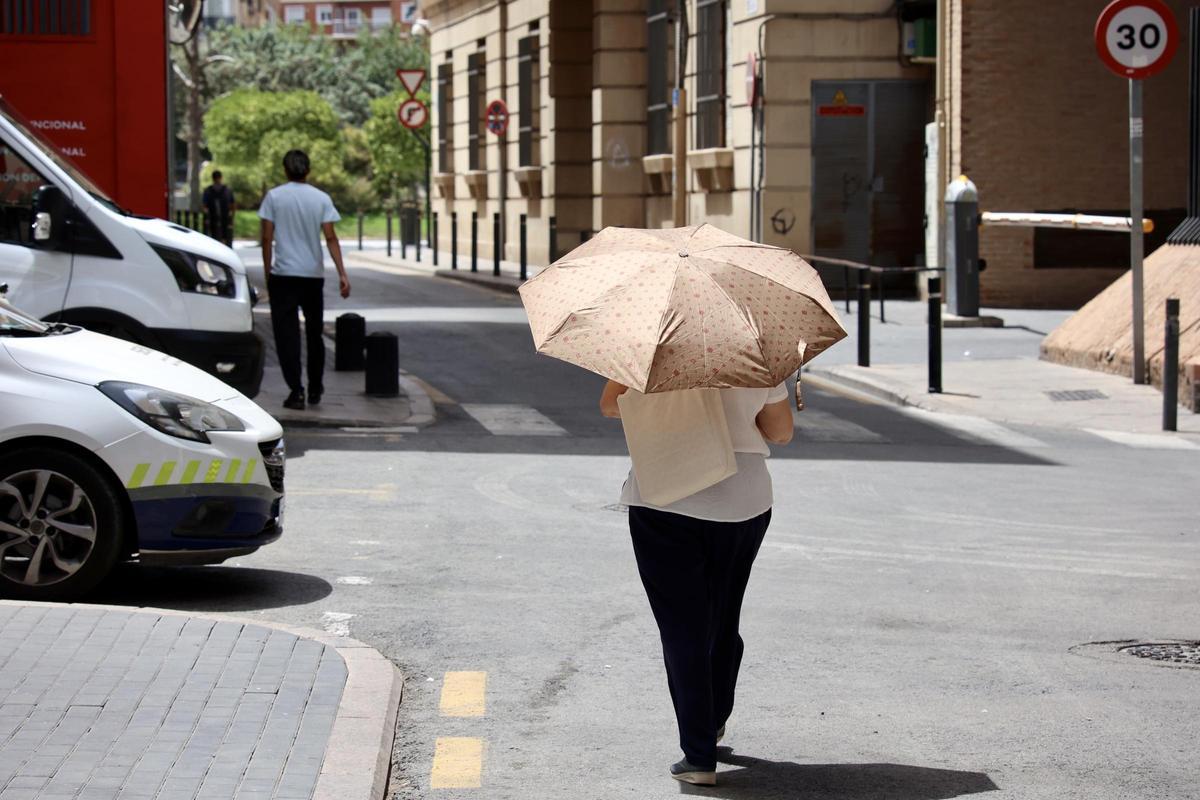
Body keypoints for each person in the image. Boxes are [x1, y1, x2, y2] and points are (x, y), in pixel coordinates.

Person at [600, 379, 795, 787]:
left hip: (666, 496)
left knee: (682, 629)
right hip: (743, 499)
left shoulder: (650, 344)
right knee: (723, 617)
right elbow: (781, 431)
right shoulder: (754, 348)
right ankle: (714, 718)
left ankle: (699, 755)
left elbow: (610, 406)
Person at [259, 149, 351, 410]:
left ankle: (296, 390)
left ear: (285, 170)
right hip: (312, 276)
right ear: (308, 170)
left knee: (287, 336)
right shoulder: (321, 198)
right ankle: (316, 388)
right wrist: (342, 273)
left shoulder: (274, 197)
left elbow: (267, 238)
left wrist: (268, 273)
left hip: (284, 276)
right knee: (314, 333)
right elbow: (331, 237)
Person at [201, 170, 235, 246]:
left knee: (214, 238)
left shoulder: (208, 191)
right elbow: (233, 205)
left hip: (213, 218)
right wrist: (232, 218)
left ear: (212, 178)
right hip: (225, 218)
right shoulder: (227, 190)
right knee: (226, 238)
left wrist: (206, 218)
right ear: (221, 178)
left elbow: (204, 207)